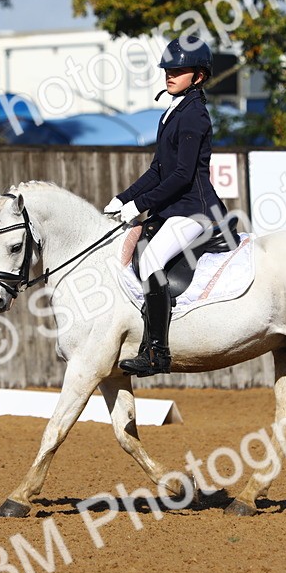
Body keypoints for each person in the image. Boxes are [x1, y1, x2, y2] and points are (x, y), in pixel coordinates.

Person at [103, 36, 227, 377]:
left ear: (198, 76)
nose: (169, 75)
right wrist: (123, 198)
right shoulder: (173, 112)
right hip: (177, 207)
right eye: (168, 69)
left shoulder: (194, 116)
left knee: (154, 259)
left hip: (196, 209)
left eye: (179, 70)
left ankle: (157, 351)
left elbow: (183, 175)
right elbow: (158, 170)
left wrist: (140, 205)